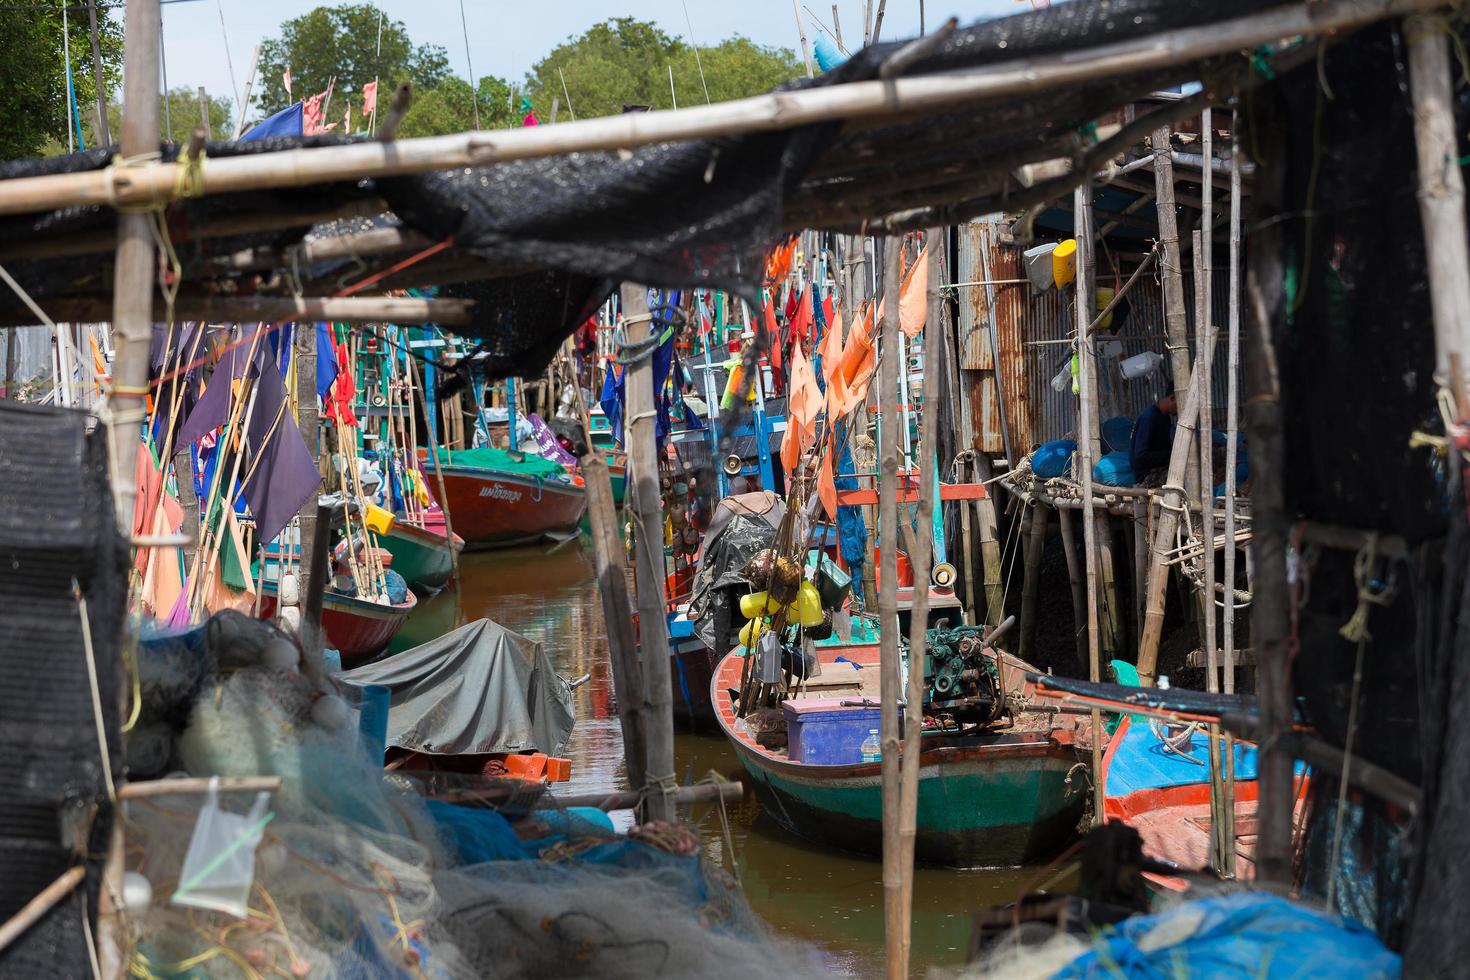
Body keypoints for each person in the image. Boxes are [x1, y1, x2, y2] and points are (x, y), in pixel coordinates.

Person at [1129, 388, 1178, 478]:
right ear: (1172, 398)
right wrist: (1171, 454)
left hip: (1160, 467)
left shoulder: (1165, 417)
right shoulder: (1149, 418)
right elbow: (1140, 456)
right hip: (1147, 474)